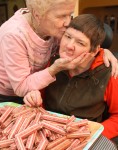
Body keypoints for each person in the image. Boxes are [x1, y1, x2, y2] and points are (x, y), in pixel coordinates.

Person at [0, 0, 118, 103]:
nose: (68, 22)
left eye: (70, 14)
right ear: (37, 15)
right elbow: (22, 87)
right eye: (61, 16)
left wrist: (101, 51)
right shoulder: (14, 34)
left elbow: (79, 42)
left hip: (26, 88)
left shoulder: (56, 27)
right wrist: (55, 68)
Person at [23, 14, 118, 143]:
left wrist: (92, 134)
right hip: (47, 131)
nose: (69, 46)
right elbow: (40, 101)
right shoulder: (53, 62)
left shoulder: (109, 72)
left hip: (84, 137)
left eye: (80, 43)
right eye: (67, 37)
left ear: (94, 51)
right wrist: (34, 98)